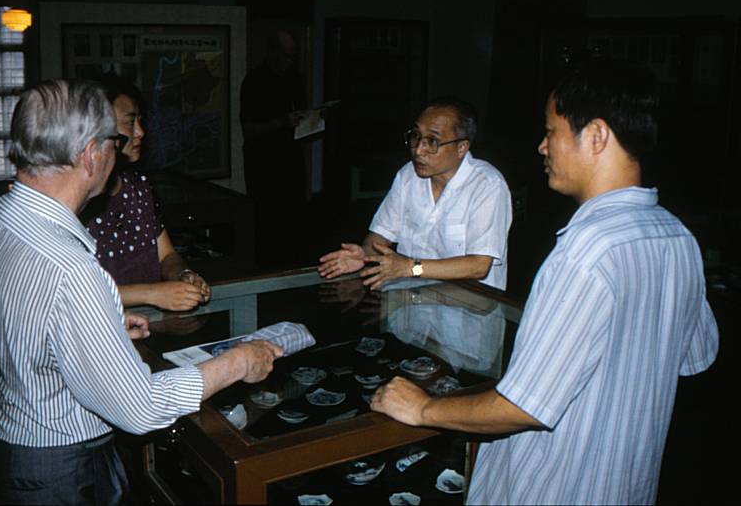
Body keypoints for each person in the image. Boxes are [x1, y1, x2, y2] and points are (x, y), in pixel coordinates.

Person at [370, 60, 719, 505]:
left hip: (554, 485)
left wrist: (422, 408)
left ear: (595, 136)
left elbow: (523, 405)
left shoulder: (584, 251)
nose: (541, 146)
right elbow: (694, 357)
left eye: (551, 131)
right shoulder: (677, 237)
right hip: (628, 482)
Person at [0, 79, 283, 505]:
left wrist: (87, 330)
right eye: (114, 139)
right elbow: (139, 409)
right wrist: (237, 362)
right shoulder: (71, 269)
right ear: (91, 154)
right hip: (54, 468)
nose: (119, 148)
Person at [318, 97, 512, 291]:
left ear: (461, 148)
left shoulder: (487, 185)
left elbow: (478, 266)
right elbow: (379, 237)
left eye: (433, 141)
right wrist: (365, 255)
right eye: (416, 136)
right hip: (410, 305)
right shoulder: (408, 176)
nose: (419, 150)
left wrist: (410, 267)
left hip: (468, 309)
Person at [82, 73, 209, 312]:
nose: (140, 132)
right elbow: (77, 289)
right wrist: (153, 293)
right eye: (130, 122)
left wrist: (183, 274)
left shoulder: (138, 188)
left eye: (140, 120)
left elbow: (167, 256)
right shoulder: (80, 196)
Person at [240, 30, 309, 269]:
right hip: (264, 162)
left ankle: (291, 266)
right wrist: (282, 122)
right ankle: (266, 269)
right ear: (272, 53)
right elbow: (248, 128)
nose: (289, 62)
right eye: (286, 56)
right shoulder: (254, 81)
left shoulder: (295, 79)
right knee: (265, 221)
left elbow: (302, 113)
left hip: (291, 158)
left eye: (293, 56)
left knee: (293, 217)